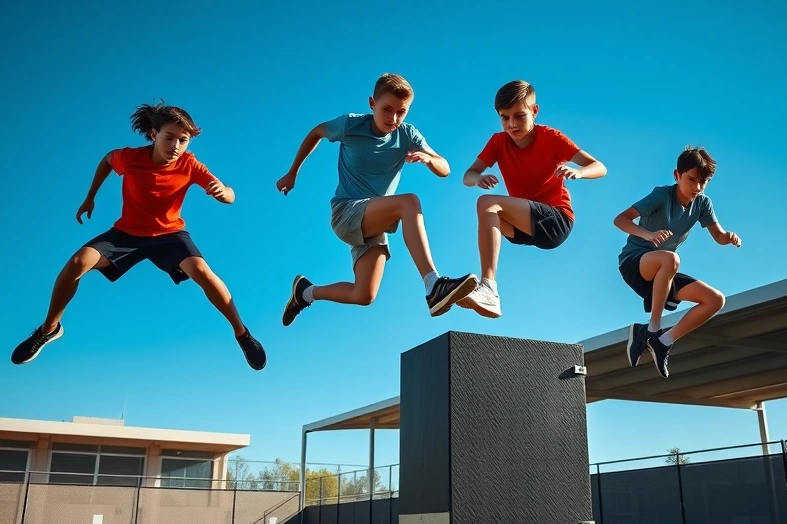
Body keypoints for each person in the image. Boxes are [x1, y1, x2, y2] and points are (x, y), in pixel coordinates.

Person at [11, 102, 267, 370]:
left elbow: (231, 195)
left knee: (202, 271)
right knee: (77, 262)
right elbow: (107, 160)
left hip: (170, 234)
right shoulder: (131, 158)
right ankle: (49, 329)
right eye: (169, 137)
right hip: (126, 233)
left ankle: (242, 334)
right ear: (154, 134)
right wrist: (90, 197)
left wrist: (222, 192)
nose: (176, 146)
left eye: (184, 140)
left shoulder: (190, 165)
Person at [276, 73, 477, 326]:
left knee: (364, 294)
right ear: (372, 103)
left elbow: (445, 168)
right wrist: (292, 172)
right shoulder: (350, 125)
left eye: (401, 112)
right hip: (346, 212)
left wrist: (429, 159)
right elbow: (317, 132)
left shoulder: (408, 135)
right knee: (409, 202)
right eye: (387, 109)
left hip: (374, 221)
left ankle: (305, 292)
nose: (393, 119)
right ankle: (433, 285)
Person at [458, 80, 606, 318]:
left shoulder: (551, 137)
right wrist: (478, 178)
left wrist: (579, 172)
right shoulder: (498, 142)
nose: (512, 124)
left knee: (487, 203)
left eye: (519, 116)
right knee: (487, 208)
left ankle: (488, 288)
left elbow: (599, 167)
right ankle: (489, 290)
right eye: (505, 118)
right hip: (523, 227)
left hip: (556, 220)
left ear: (534, 111)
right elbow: (467, 175)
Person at [613, 145, 741, 378]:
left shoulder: (702, 203)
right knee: (671, 258)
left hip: (663, 272)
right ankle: (653, 328)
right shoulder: (662, 196)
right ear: (677, 175)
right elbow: (620, 219)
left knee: (714, 300)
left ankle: (663, 341)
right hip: (634, 263)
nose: (697, 188)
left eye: (703, 182)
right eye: (692, 180)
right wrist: (648, 235)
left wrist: (728, 237)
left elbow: (718, 236)